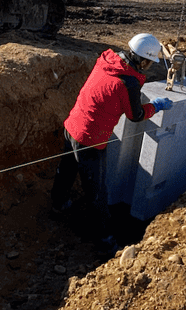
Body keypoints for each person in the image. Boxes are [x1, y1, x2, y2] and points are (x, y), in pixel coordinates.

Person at [51, 33, 173, 250]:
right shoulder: (129, 82)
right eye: (149, 63)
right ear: (142, 60)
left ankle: (58, 204)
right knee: (96, 192)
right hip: (90, 138)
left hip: (73, 124)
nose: (148, 66)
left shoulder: (108, 60)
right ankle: (105, 239)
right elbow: (135, 115)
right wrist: (155, 106)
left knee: (67, 169)